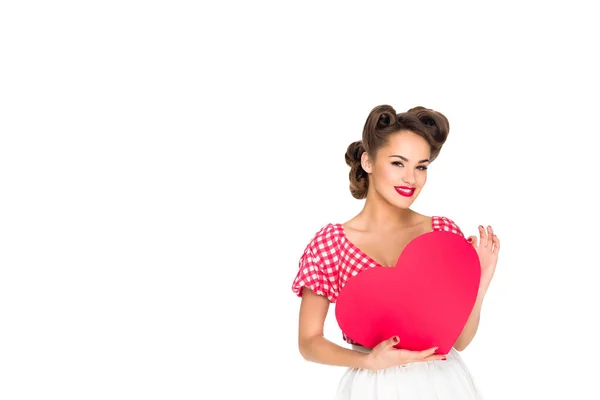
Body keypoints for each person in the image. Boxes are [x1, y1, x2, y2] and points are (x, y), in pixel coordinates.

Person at [291, 104, 500, 399]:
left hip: (444, 385)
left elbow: (460, 340)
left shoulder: (441, 234)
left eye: (421, 166)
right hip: (374, 388)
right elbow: (309, 342)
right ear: (368, 161)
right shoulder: (331, 244)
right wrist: (368, 361)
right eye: (398, 163)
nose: (411, 179)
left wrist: (482, 277)